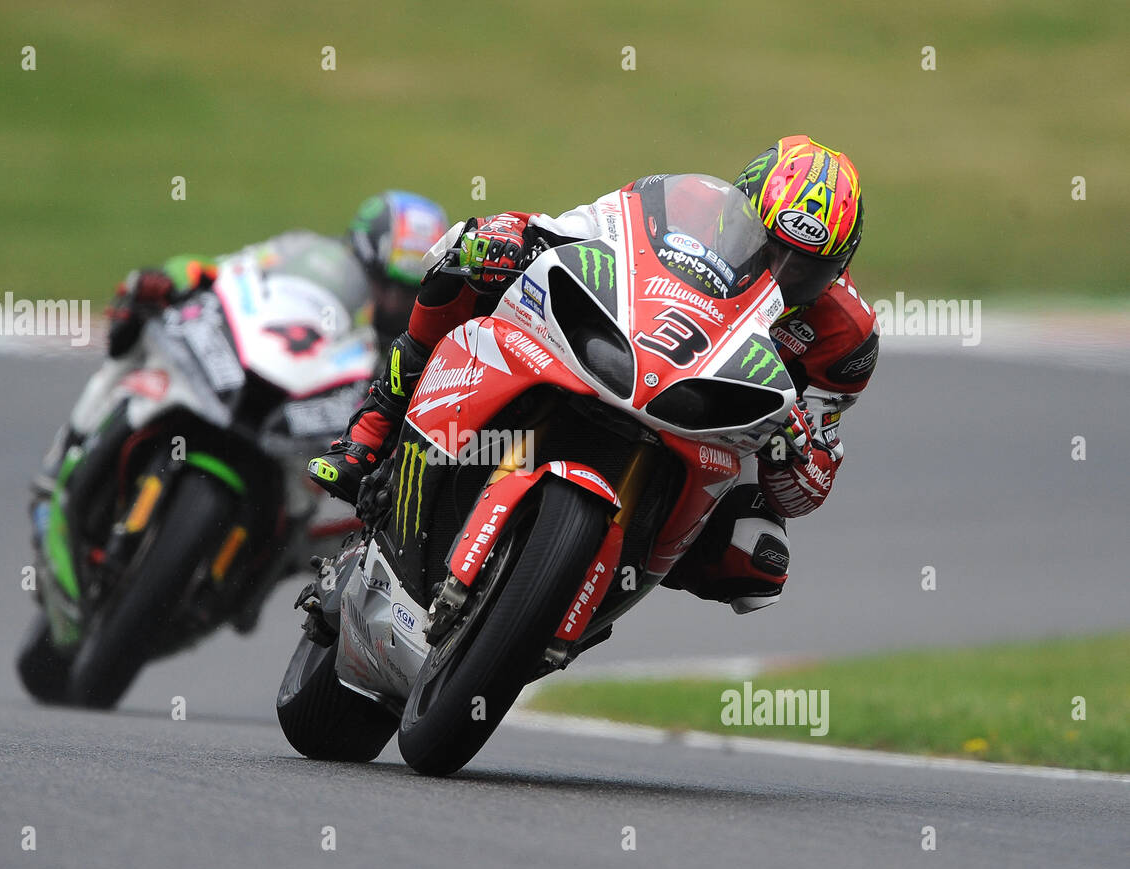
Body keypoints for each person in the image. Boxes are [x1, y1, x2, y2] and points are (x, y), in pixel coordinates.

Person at [307, 138, 878, 614]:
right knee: (464, 256)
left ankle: (596, 584)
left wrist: (794, 446)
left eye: (804, 270)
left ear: (836, 272)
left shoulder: (846, 337)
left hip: (716, 429)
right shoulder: (681, 203)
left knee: (757, 554)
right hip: (624, 352)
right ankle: (372, 428)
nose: (781, 273)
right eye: (769, 249)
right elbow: (576, 230)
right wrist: (511, 235)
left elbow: (809, 486)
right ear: (737, 215)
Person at [33, 191, 449, 495]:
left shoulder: (415, 354)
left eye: (407, 294)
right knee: (145, 332)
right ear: (357, 257)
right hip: (252, 366)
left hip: (301, 436)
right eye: (384, 286)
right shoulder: (309, 260)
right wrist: (171, 280)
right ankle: (68, 449)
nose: (392, 303)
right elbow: (227, 270)